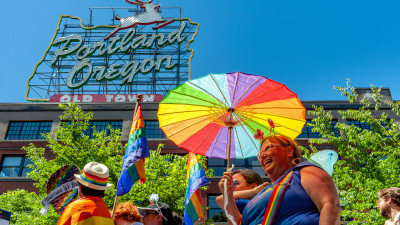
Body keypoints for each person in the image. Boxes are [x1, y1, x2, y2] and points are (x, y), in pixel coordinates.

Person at [218, 132, 341, 225]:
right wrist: (228, 193)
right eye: (260, 153)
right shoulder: (260, 194)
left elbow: (330, 205)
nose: (263, 155)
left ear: (289, 150)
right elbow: (237, 223)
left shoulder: (304, 171)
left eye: (268, 147)